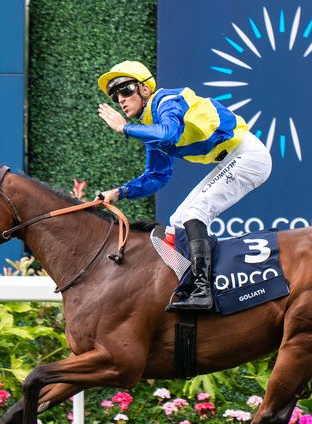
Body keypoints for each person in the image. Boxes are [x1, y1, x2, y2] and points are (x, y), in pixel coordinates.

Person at [96, 61, 272, 311]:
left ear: (145, 90)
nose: (121, 100)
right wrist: (119, 192)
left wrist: (123, 128)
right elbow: (157, 176)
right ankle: (192, 284)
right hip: (233, 158)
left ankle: (204, 290)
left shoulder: (167, 101)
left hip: (248, 156)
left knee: (193, 214)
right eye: (115, 97)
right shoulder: (150, 128)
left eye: (125, 91)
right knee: (178, 220)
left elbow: (169, 133)